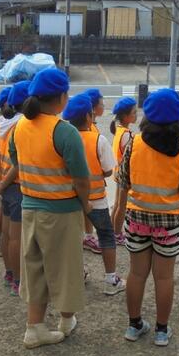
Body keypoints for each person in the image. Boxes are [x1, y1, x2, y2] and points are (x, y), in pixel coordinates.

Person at [9, 68, 89, 349]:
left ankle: (35, 327)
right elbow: (81, 178)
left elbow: (14, 159)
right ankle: (66, 321)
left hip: (29, 206)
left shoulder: (19, 126)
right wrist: (85, 205)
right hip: (61, 210)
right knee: (65, 266)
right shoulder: (63, 131)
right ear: (62, 97)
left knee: (35, 267)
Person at [115, 89, 179, 347]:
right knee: (164, 277)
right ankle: (162, 331)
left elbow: (123, 181)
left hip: (137, 218)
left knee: (136, 273)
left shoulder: (134, 144)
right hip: (170, 223)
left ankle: (134, 325)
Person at [63, 94, 125, 296]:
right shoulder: (99, 139)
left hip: (70, 199)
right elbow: (108, 170)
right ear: (89, 117)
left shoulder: (63, 138)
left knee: (73, 238)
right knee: (106, 236)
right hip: (96, 199)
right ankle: (110, 279)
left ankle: (77, 274)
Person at [0, 80, 30, 297]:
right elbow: (20, 163)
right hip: (15, 185)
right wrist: (4, 183)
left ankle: (8, 272)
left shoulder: (2, 121)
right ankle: (18, 279)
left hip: (5, 184)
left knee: (6, 233)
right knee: (16, 237)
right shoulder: (22, 125)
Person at [109, 97, 137, 247]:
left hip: (118, 172)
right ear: (126, 116)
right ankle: (117, 234)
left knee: (117, 204)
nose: (136, 114)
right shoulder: (127, 134)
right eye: (133, 112)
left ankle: (113, 231)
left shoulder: (119, 130)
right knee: (122, 206)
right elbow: (129, 156)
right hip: (124, 174)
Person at [81, 88, 106, 254]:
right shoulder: (90, 129)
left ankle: (88, 235)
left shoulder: (92, 126)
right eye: (102, 103)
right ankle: (88, 236)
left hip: (88, 179)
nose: (104, 106)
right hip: (89, 181)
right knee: (88, 209)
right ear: (93, 108)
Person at [0, 86, 12, 259]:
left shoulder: (1, 121)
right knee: (3, 211)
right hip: (8, 172)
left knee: (0, 207)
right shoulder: (13, 123)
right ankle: (1, 242)